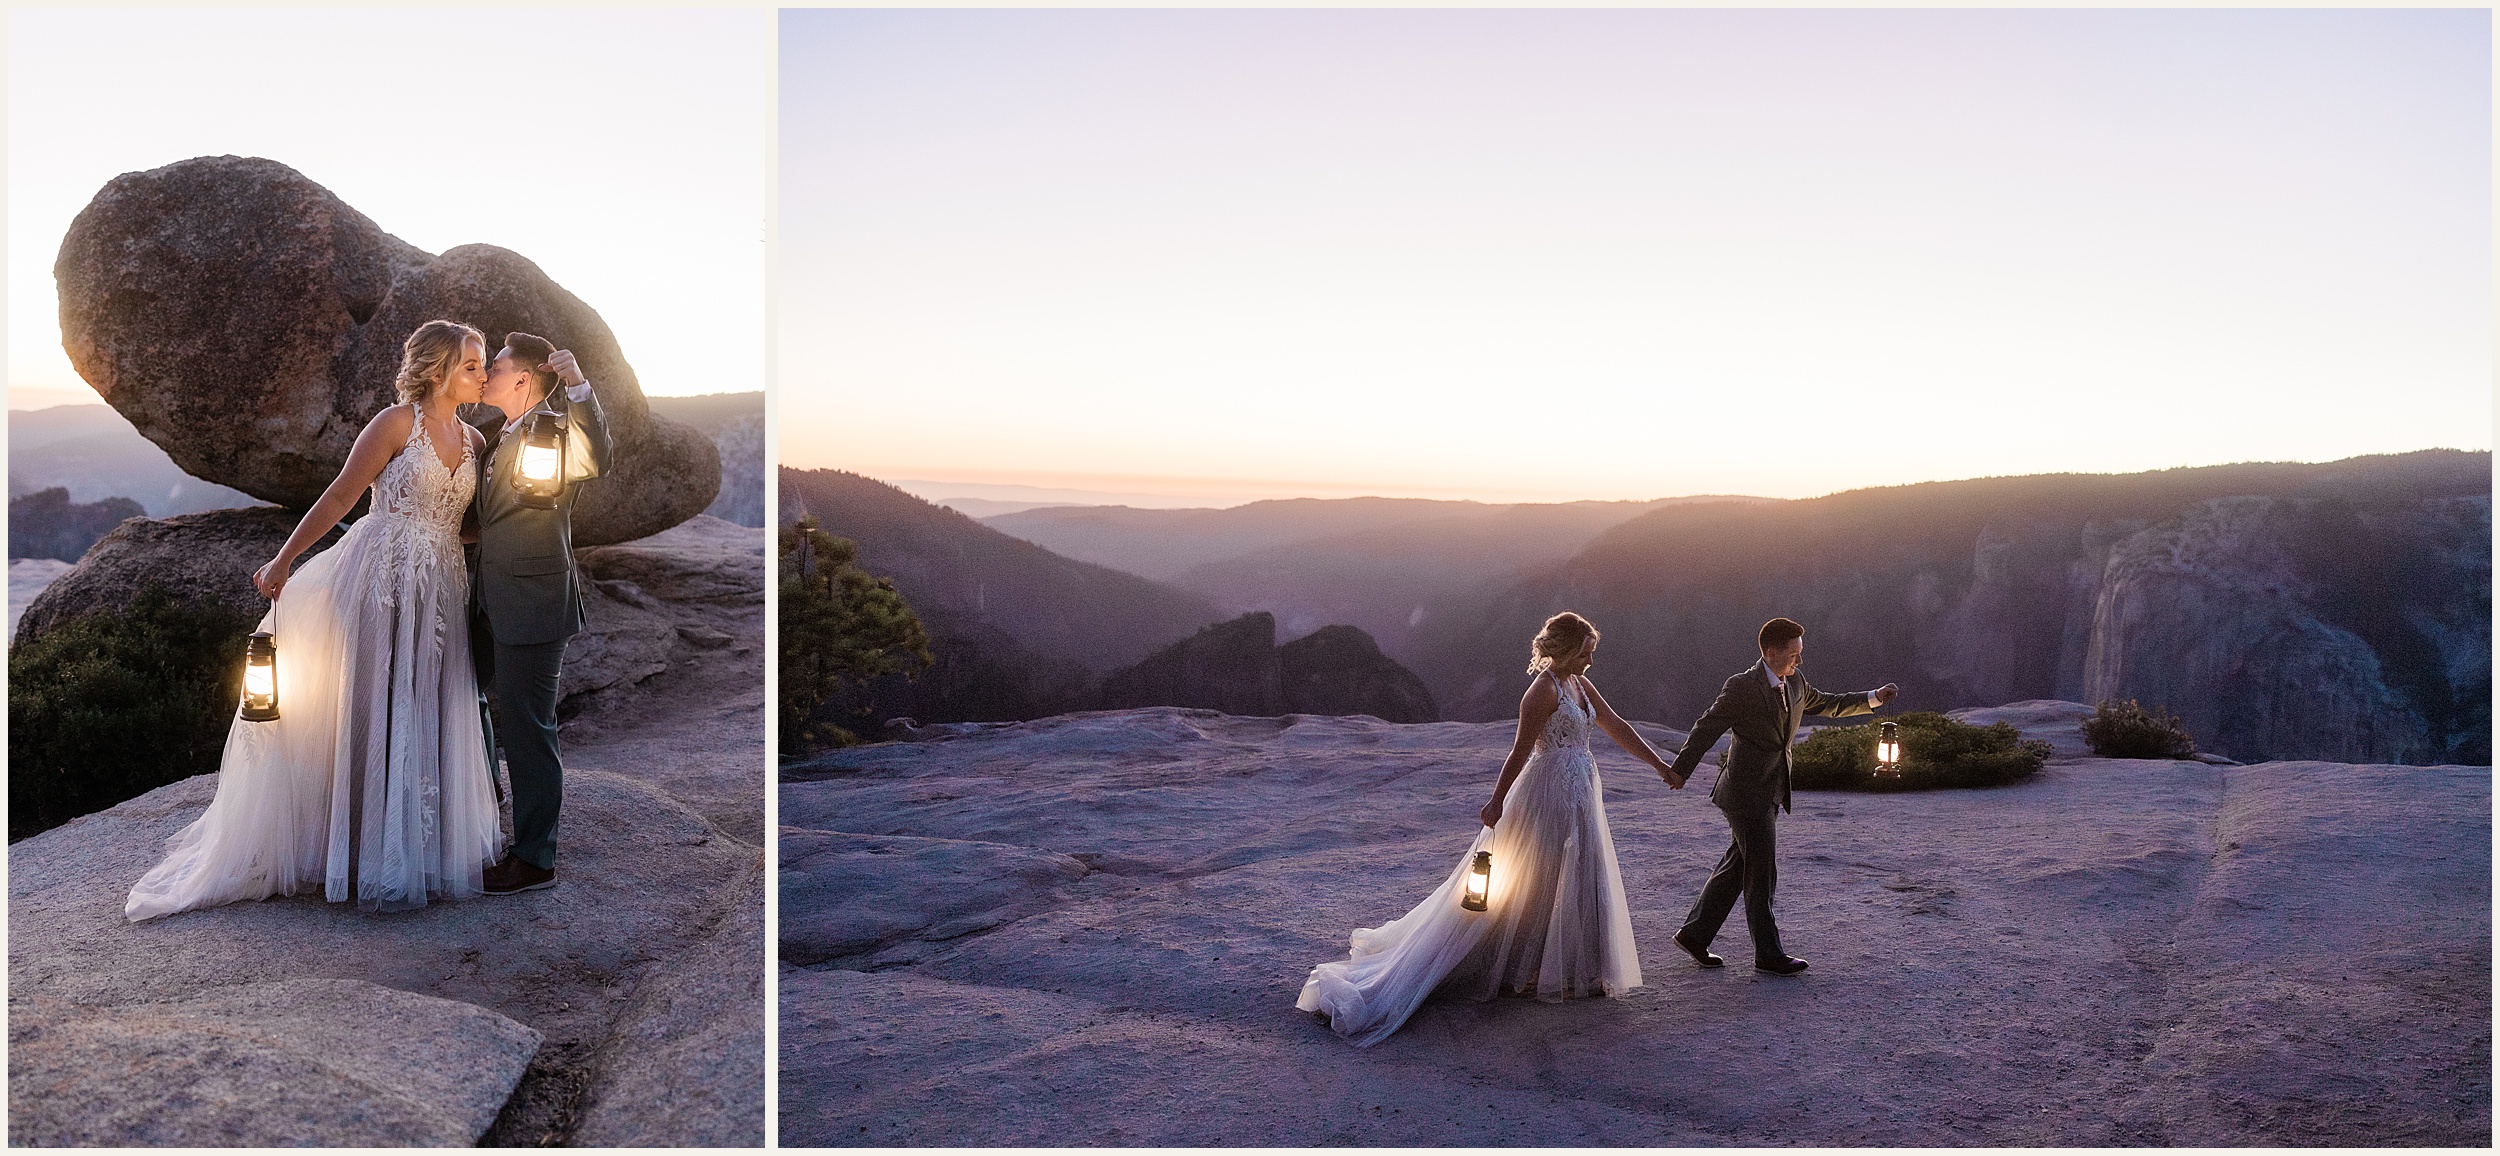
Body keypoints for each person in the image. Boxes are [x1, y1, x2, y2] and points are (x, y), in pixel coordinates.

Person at [127, 320, 505, 919]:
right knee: (372, 706)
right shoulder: (395, 425)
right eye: (471, 365)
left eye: (483, 365)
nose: (483, 375)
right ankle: (356, 849)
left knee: (426, 704)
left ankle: (416, 847)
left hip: (440, 585)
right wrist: (283, 560)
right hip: (380, 576)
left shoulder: (476, 441)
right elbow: (339, 497)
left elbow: (471, 522)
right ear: (437, 371)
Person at [1296, 611, 1677, 1046]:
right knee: (1540, 878)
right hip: (1547, 794)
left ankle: (1577, 967)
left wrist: (1659, 765)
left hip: (1582, 791)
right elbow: (1519, 752)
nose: (1591, 661)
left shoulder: (1580, 684)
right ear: (1568, 650)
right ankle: (1525, 969)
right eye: (1586, 653)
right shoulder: (1541, 692)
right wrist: (1496, 800)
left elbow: (1615, 726)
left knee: (1581, 872)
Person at [1662, 616, 1897, 975]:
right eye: (1793, 654)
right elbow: (1707, 726)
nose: (1799, 661)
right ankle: (1768, 954)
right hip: (1744, 794)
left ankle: (1694, 934)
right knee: (1762, 870)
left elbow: (1828, 703)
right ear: (1770, 653)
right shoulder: (1741, 686)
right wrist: (1680, 770)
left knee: (1739, 864)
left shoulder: (1795, 682)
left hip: (1772, 789)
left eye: (1800, 654)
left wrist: (1874, 698)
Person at [468, 331, 611, 894]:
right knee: (464, 699)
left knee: (528, 728)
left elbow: (597, 456)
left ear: (524, 378)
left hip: (532, 601)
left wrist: (577, 383)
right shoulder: (498, 435)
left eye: (495, 369)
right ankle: (482, 817)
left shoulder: (552, 431)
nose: (486, 378)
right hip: (485, 596)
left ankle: (534, 858)